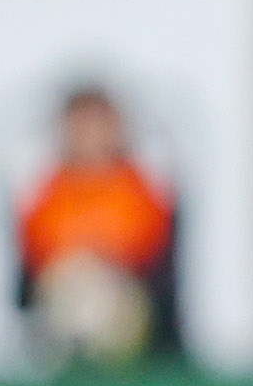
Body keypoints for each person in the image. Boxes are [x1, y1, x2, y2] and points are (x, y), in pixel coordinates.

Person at [16, 81, 180, 367]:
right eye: (81, 127)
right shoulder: (48, 195)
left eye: (98, 126)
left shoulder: (140, 193)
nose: (90, 137)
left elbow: (155, 273)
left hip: (128, 320)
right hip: (60, 321)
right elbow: (30, 278)